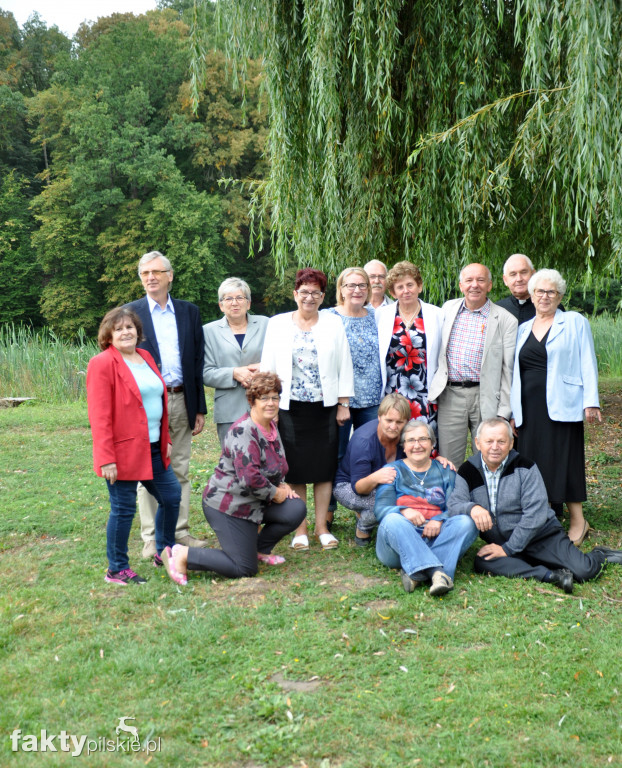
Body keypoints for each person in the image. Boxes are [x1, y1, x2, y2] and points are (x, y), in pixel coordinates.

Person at [161, 372, 307, 584]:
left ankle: (258, 550)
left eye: (275, 397)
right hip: (228, 505)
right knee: (243, 568)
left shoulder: (271, 426)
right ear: (252, 401)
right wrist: (276, 493)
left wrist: (281, 484)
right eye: (264, 398)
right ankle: (182, 555)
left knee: (295, 508)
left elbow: (273, 465)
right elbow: (250, 479)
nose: (270, 403)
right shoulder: (243, 431)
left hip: (255, 501)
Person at [447, 418, 621, 593]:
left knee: (584, 571)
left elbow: (536, 515)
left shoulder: (525, 467)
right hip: (502, 542)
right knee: (483, 561)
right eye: (489, 441)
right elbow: (454, 504)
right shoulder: (467, 471)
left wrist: (508, 549)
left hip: (541, 537)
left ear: (511, 443)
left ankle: (600, 555)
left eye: (501, 441)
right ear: (478, 443)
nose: (495, 447)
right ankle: (551, 575)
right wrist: (472, 508)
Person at [260, 268, 354, 551]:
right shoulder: (277, 324)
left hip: (325, 407)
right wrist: (269, 406)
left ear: (323, 296)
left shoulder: (333, 323)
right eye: (304, 292)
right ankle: (299, 529)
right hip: (289, 408)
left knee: (324, 468)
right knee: (296, 469)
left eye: (315, 292)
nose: (309, 297)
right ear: (295, 294)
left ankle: (321, 527)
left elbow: (344, 363)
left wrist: (343, 404)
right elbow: (268, 367)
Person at [87, 308, 181, 585]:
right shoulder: (102, 363)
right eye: (118, 329)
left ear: (137, 331)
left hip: (153, 446)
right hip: (122, 452)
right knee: (123, 509)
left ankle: (164, 552)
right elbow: (99, 415)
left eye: (129, 327)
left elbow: (157, 401)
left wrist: (166, 439)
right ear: (108, 336)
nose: (125, 332)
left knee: (171, 497)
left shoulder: (146, 356)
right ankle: (117, 568)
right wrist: (106, 457)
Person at [125, 251, 207, 561]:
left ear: (169, 276)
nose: (150, 277)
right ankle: (150, 539)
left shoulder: (189, 312)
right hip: (147, 404)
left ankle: (179, 532)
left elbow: (197, 361)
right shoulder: (129, 313)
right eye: (145, 273)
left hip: (182, 398)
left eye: (157, 272)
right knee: (148, 471)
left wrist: (199, 407)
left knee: (180, 468)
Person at [510, 269, 601, 545]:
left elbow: (588, 360)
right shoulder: (523, 329)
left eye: (551, 292)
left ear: (560, 296)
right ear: (532, 295)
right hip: (528, 408)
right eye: (540, 291)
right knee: (534, 462)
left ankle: (578, 521)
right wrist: (513, 412)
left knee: (565, 460)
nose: (545, 296)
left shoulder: (574, 321)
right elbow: (515, 374)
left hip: (563, 404)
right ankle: (543, 519)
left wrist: (591, 401)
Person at [374, 420, 478, 597]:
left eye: (423, 439)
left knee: (467, 522)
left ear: (432, 443)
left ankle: (416, 573)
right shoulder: (392, 470)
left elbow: (455, 505)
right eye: (411, 440)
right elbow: (380, 509)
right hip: (399, 543)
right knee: (391, 519)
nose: (417, 445)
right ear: (404, 446)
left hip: (437, 537)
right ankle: (437, 572)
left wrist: (439, 520)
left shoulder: (445, 471)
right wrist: (404, 511)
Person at [429, 263, 517, 467]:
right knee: (449, 459)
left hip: (486, 396)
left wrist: (504, 411)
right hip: (450, 394)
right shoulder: (447, 310)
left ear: (490, 285)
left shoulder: (505, 320)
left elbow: (508, 371)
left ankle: (486, 489)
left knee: (489, 456)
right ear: (461, 286)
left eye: (480, 280)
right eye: (469, 280)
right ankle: (454, 489)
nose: (474, 285)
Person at [333, 393, 410, 546]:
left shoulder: (407, 435)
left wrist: (439, 460)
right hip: (348, 486)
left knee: (411, 497)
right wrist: (376, 477)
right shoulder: (364, 441)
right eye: (389, 420)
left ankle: (369, 515)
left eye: (399, 422)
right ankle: (363, 527)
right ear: (379, 417)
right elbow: (358, 488)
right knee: (392, 502)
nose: (393, 427)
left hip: (384, 484)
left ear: (406, 421)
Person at [324, 267, 384, 462]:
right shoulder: (328, 317)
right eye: (351, 285)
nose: (357, 290)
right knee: (338, 454)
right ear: (341, 289)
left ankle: (366, 483)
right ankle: (337, 484)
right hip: (340, 399)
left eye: (362, 285)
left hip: (372, 400)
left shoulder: (377, 316)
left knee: (370, 452)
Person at [202, 278, 269, 447]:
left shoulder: (266, 324)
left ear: (248, 303)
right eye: (228, 299)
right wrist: (234, 373)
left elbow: (279, 359)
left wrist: (263, 368)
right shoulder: (208, 331)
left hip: (264, 405)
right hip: (229, 410)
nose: (234, 303)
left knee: (267, 457)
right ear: (221, 305)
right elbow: (205, 372)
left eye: (240, 297)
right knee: (233, 459)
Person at [376, 261, 443, 427]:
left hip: (424, 391)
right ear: (393, 292)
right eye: (400, 287)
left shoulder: (437, 315)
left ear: (419, 286)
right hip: (392, 392)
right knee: (394, 433)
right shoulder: (381, 315)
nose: (406, 290)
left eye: (410, 285)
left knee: (422, 436)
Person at [496, 254, 536, 324]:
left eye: (523, 272)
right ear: (505, 280)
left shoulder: (548, 307)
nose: (519, 279)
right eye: (513, 274)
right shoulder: (497, 310)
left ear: (533, 274)